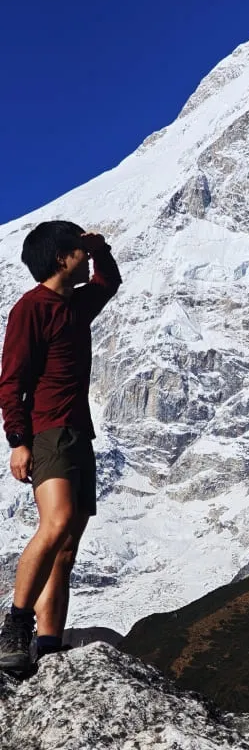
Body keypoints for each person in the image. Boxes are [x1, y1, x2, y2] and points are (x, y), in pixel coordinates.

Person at [0, 220, 121, 672]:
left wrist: (99, 247)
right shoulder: (32, 308)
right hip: (48, 429)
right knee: (57, 522)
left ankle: (48, 647)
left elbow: (108, 282)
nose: (85, 257)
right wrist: (18, 440)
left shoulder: (75, 305)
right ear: (59, 257)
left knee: (67, 549)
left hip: (78, 432)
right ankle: (15, 625)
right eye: (78, 249)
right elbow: (11, 380)